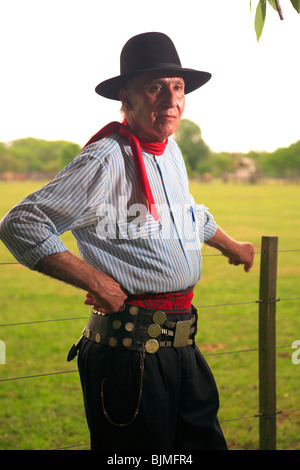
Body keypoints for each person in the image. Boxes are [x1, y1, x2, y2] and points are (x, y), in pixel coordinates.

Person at [0, 32, 254, 451]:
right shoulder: (106, 158)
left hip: (181, 346)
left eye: (177, 88)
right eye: (154, 88)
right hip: (129, 353)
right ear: (127, 98)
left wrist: (232, 245)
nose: (170, 100)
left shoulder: (168, 151)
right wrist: (95, 282)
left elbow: (189, 213)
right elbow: (21, 223)